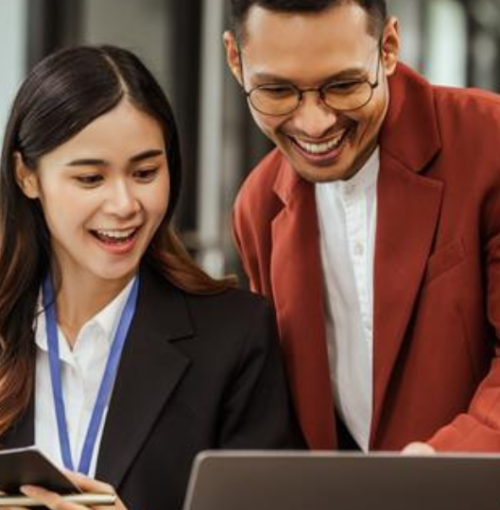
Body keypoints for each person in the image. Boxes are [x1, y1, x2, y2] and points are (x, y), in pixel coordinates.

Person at [0, 44, 300, 510]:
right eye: (90, 179)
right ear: (27, 176)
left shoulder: (235, 340)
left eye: (144, 172)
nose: (124, 204)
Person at [224, 0, 500, 454]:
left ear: (388, 47)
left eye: (344, 85)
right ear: (236, 60)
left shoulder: (487, 141)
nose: (314, 123)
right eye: (276, 91)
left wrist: (445, 464)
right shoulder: (257, 207)